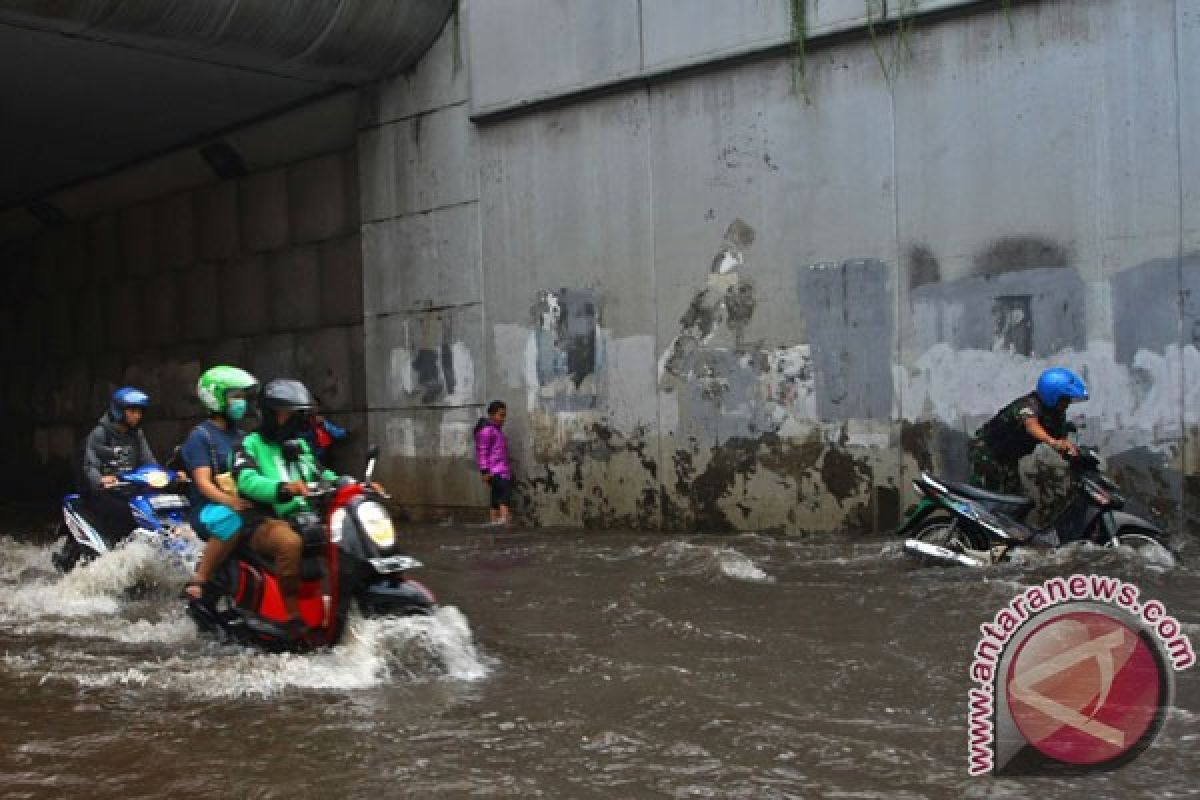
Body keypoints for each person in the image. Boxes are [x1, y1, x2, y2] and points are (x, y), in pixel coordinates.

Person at [230, 379, 339, 628]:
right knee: (289, 543)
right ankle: (291, 614)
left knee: (342, 537)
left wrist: (349, 483)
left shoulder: (299, 446)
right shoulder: (249, 444)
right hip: (263, 520)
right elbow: (247, 481)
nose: (290, 421)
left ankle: (339, 603)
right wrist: (283, 489)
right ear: (269, 414)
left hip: (302, 517)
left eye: (295, 415)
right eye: (285, 414)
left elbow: (320, 473)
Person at [180, 366, 258, 604]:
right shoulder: (201, 436)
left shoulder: (243, 436)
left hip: (240, 501)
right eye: (235, 396)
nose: (241, 403)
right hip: (208, 509)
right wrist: (231, 502)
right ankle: (200, 579)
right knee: (231, 520)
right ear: (216, 398)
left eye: (243, 397)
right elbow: (203, 484)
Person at [968, 367, 1088, 496]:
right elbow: (1031, 425)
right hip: (987, 451)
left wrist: (1074, 453)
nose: (1067, 403)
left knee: (1013, 501)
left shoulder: (1055, 414)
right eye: (1064, 399)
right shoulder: (1028, 405)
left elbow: (1061, 441)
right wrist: (1052, 442)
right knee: (988, 497)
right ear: (1052, 394)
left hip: (1009, 458)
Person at [79, 386, 158, 542]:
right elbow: (90, 466)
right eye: (133, 411)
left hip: (132, 490)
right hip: (107, 492)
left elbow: (148, 460)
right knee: (124, 513)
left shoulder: (137, 434)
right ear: (118, 411)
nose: (137, 416)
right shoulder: (100, 433)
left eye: (140, 412)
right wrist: (101, 479)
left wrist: (165, 475)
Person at [474, 400, 513, 526]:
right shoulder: (487, 431)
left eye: (504, 415)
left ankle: (494, 525)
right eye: (501, 415)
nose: (503, 419)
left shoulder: (495, 430)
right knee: (504, 495)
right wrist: (484, 471)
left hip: (500, 470)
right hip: (496, 471)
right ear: (491, 415)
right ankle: (505, 525)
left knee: (496, 497)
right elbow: (482, 451)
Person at [299, 395, 349, 463]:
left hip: (323, 455)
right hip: (309, 455)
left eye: (317, 406)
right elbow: (300, 436)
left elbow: (334, 431)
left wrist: (346, 432)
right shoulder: (300, 420)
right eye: (312, 405)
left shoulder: (320, 420)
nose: (315, 408)